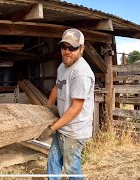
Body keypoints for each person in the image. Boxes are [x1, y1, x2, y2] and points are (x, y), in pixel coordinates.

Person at [38, 28, 95, 180]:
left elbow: (76, 108)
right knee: (53, 160)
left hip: (75, 130)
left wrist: (52, 127)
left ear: (81, 49)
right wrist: (45, 109)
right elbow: (58, 87)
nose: (67, 52)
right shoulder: (62, 67)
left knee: (71, 168)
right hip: (63, 125)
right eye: (64, 47)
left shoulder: (81, 73)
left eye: (73, 48)